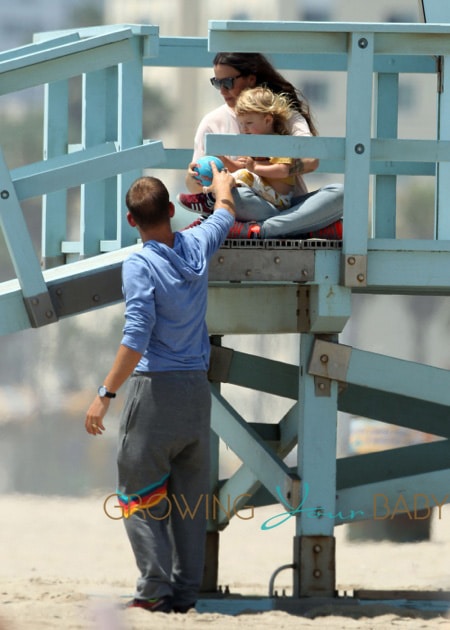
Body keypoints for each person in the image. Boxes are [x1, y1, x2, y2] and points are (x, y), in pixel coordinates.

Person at [84, 164, 236, 614]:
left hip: (156, 392)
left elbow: (136, 335)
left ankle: (154, 589)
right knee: (189, 501)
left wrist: (105, 394)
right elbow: (224, 211)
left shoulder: (139, 264)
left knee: (137, 491)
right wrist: (222, 184)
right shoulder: (196, 244)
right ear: (171, 210)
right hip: (196, 393)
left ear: (132, 220)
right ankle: (184, 594)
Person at [177, 52, 343, 240]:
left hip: (285, 204)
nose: (222, 90)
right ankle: (301, 227)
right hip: (250, 204)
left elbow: (311, 160)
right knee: (236, 195)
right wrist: (194, 177)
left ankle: (260, 230)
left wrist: (271, 169)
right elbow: (197, 188)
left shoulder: (285, 116)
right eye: (217, 83)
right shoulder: (212, 122)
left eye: (228, 82)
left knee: (341, 194)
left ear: (250, 79)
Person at [232, 86, 297, 211]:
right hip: (262, 192)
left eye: (249, 123)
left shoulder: (278, 142)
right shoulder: (251, 143)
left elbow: (283, 170)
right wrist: (225, 161)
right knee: (232, 175)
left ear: (267, 120)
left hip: (280, 198)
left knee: (242, 175)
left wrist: (255, 167)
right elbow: (242, 166)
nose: (244, 129)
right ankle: (214, 199)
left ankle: (212, 198)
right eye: (241, 124)